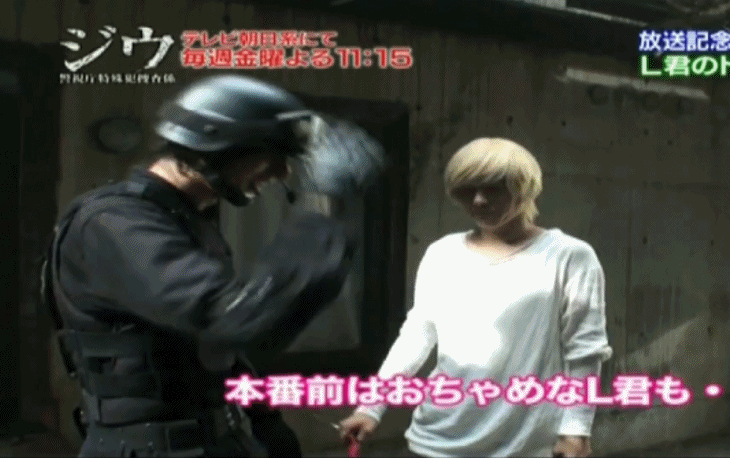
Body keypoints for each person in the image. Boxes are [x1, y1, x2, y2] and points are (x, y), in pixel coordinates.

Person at [41, 75, 381, 457]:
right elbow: (235, 319)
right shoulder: (117, 224)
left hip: (209, 439)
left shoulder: (180, 219)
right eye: (273, 155)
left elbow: (212, 348)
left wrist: (264, 421)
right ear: (218, 149)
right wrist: (323, 207)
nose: (282, 173)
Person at [339, 137, 613, 458]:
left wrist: (576, 430)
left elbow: (584, 351)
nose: (479, 200)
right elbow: (417, 336)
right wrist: (371, 407)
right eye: (468, 190)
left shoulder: (569, 256)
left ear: (523, 188)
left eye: (493, 188)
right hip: (436, 438)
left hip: (526, 445)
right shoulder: (442, 253)